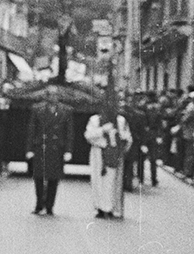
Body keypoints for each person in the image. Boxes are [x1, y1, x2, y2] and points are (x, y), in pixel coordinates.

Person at [25, 84, 74, 216]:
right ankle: (39, 204)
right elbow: (32, 130)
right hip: (41, 146)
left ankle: (50, 206)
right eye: (50, 94)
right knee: (39, 177)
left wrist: (68, 150)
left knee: (54, 178)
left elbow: (69, 132)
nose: (53, 97)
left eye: (55, 94)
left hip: (57, 148)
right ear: (46, 96)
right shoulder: (37, 109)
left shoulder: (66, 110)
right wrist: (29, 149)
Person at [85, 100, 132, 219]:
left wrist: (121, 143)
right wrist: (102, 130)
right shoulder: (94, 120)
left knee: (112, 182)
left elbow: (128, 138)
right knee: (98, 181)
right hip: (99, 154)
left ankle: (111, 208)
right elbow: (88, 135)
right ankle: (100, 207)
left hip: (114, 155)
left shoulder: (121, 120)